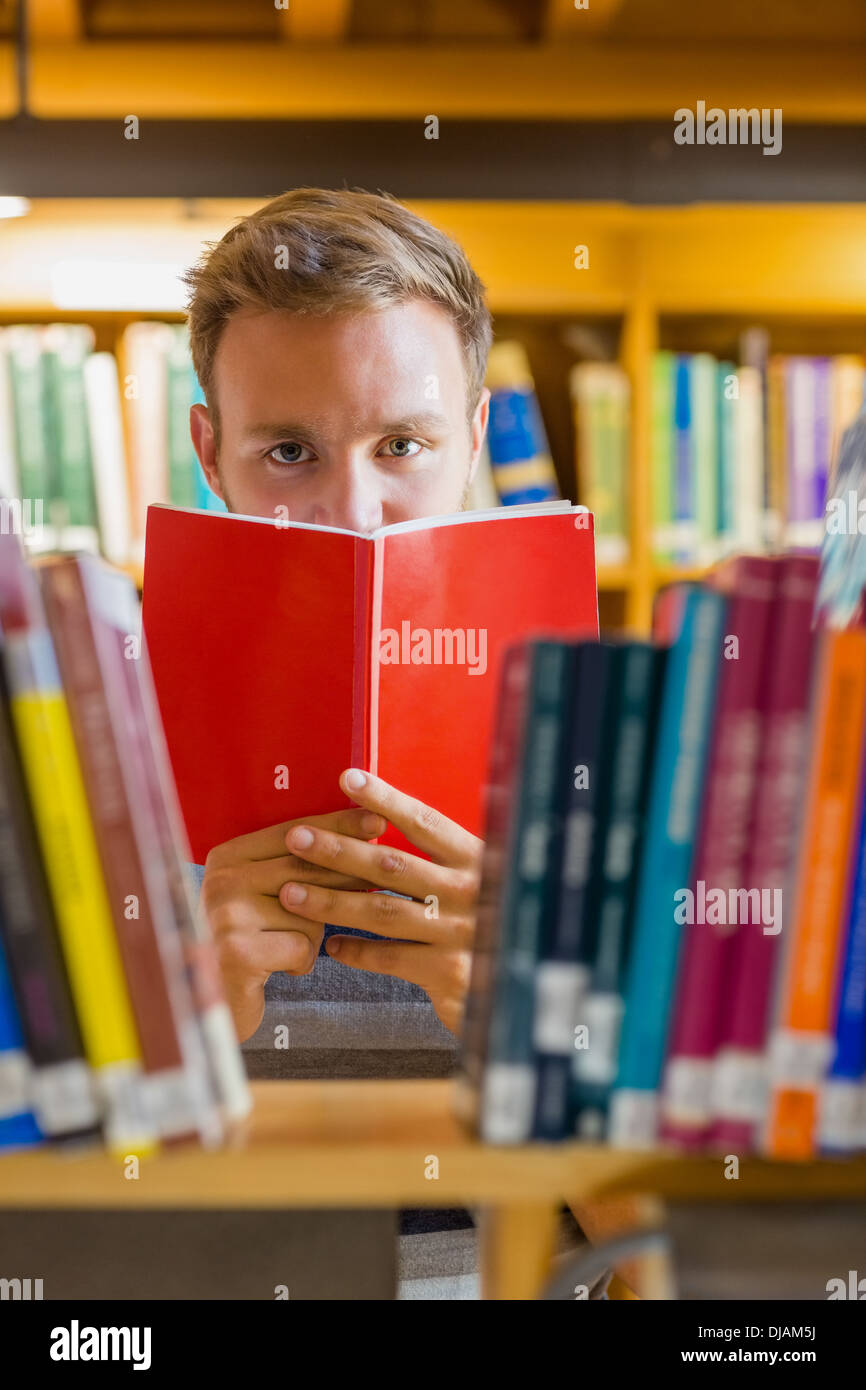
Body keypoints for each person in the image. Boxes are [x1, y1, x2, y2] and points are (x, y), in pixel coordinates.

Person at [180, 187, 609, 1299]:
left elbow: (717, 1289)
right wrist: (174, 1050)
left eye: (402, 445)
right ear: (209, 450)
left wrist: (540, 1040)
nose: (353, 515)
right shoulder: (81, 790)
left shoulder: (636, 800)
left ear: (471, 439)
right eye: (288, 451)